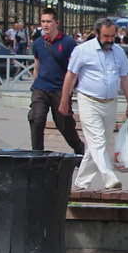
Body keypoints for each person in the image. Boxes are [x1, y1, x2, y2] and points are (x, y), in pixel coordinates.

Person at [58, 18, 128, 191]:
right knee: (98, 141)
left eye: (113, 36)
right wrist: (64, 100)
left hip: (110, 103)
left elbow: (124, 79)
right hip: (89, 101)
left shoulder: (119, 52)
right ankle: (110, 178)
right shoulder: (83, 50)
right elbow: (71, 75)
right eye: (106, 36)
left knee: (99, 145)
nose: (110, 40)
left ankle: (81, 182)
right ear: (96, 33)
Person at [27, 8, 85, 154]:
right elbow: (37, 65)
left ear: (56, 22)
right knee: (36, 119)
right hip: (41, 88)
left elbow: (73, 69)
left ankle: (79, 148)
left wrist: (69, 90)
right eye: (43, 21)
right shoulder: (38, 43)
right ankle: (37, 155)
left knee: (64, 124)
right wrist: (35, 83)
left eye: (48, 21)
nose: (45, 25)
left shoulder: (68, 42)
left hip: (60, 88)